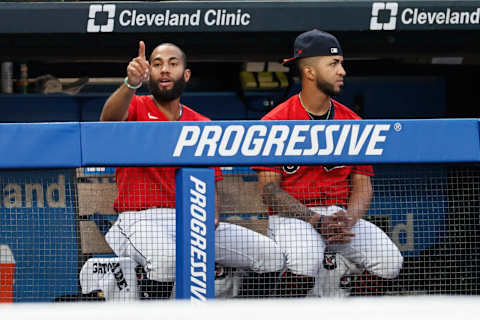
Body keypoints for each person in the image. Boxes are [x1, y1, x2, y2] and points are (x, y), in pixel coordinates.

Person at [100, 41, 285, 299]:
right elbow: (107, 123)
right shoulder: (136, 107)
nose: (164, 70)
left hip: (192, 220)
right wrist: (130, 84)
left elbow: (212, 184)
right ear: (148, 73)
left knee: (271, 255)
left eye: (172, 64)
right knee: (166, 261)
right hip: (139, 220)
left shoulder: (201, 123)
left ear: (186, 75)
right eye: (157, 64)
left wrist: (211, 215)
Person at [253, 30, 403, 297]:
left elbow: (362, 185)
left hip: (338, 216)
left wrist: (348, 220)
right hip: (293, 217)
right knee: (306, 258)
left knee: (389, 260)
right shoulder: (276, 121)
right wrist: (315, 219)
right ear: (309, 72)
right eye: (333, 64)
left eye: (341, 63)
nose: (342, 71)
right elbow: (270, 191)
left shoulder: (352, 122)